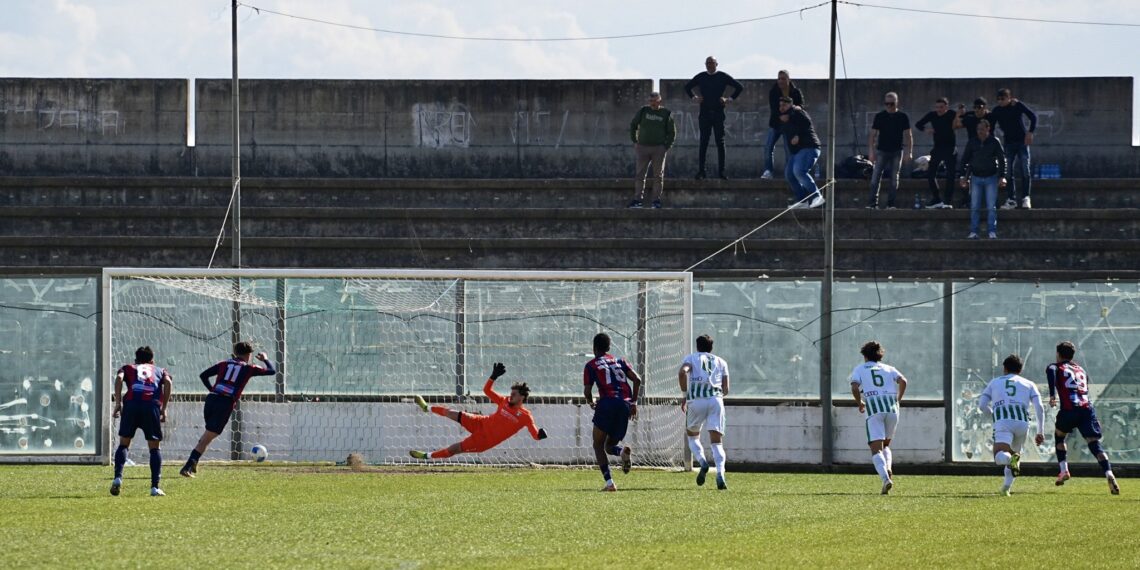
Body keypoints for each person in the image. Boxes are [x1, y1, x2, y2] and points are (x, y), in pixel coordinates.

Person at [409, 363, 548, 460]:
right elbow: (487, 391)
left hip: (484, 440)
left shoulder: (525, 416)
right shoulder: (504, 401)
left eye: (514, 394)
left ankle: (426, 456)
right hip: (480, 422)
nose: (511, 396)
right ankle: (426, 407)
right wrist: (493, 377)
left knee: (454, 449)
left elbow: (535, 434)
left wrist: (540, 435)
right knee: (452, 413)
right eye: (511, 393)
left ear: (522, 397)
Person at [180, 341, 276, 478]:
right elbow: (272, 371)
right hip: (224, 402)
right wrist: (265, 359)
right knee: (208, 436)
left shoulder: (223, 364)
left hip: (211, 399)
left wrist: (212, 390)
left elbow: (203, 375)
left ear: (235, 353)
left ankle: (194, 462)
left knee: (207, 435)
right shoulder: (248, 368)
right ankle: (188, 466)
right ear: (249, 354)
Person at [1047, 341, 1120, 494]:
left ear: (1059, 354)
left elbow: (1052, 371)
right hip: (1087, 409)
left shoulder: (1055, 366)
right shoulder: (1081, 369)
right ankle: (1109, 473)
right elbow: (1085, 389)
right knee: (1094, 443)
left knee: (1059, 436)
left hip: (1069, 409)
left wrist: (1052, 394)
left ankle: (1063, 470)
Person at [978, 354, 1045, 496]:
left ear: (1004, 368)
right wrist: (1040, 431)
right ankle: (1006, 489)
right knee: (1015, 453)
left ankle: (1010, 460)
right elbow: (1039, 407)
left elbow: (982, 405)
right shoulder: (1029, 384)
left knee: (999, 456)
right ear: (1020, 370)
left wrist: (994, 415)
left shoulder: (994, 382)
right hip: (1022, 422)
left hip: (1003, 421)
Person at [583, 332, 643, 491]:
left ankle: (609, 483)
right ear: (609, 347)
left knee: (598, 445)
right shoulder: (620, 361)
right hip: (624, 405)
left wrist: (590, 402)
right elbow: (637, 380)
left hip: (607, 403)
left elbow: (587, 391)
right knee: (609, 446)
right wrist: (634, 402)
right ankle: (622, 451)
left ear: (594, 348)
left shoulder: (591, 365)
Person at [110, 346, 172, 497]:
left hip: (131, 405)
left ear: (136, 360)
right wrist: (164, 408)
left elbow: (119, 378)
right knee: (154, 448)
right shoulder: (160, 369)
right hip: (151, 405)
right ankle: (154, 487)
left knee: (124, 443)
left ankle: (118, 477)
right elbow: (168, 382)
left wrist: (118, 403)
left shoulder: (128, 367)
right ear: (152, 360)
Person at [849, 341, 908, 495]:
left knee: (876, 449)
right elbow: (903, 381)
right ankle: (888, 468)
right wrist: (898, 399)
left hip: (874, 410)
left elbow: (855, 386)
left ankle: (885, 479)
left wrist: (860, 403)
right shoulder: (889, 368)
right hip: (892, 409)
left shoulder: (860, 369)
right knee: (886, 446)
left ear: (865, 356)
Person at [678, 335, 730, 490]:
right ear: (711, 347)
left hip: (696, 401)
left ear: (697, 346)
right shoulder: (721, 362)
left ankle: (702, 462)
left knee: (692, 436)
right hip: (716, 400)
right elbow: (726, 388)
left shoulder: (691, 358)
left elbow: (682, 372)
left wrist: (685, 394)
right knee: (717, 442)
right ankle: (720, 474)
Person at [684, 56, 743, 180]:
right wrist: (694, 98)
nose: (710, 65)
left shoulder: (722, 76)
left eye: (712, 63)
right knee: (703, 142)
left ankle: (722, 172)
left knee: (720, 142)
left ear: (717, 64)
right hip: (704, 113)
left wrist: (728, 99)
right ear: (705, 65)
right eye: (708, 63)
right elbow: (687, 87)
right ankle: (701, 171)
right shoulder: (701, 76)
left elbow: (739, 87)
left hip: (718, 113)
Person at [957, 120, 1007, 239]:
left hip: (991, 177)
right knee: (974, 206)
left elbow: (1001, 160)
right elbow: (965, 159)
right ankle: (974, 231)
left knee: (991, 206)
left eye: (982, 129)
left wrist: (1002, 176)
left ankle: (992, 231)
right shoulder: (972, 142)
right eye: (978, 129)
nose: (980, 132)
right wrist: (963, 176)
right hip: (976, 177)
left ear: (988, 129)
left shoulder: (994, 142)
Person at [989, 88, 1037, 209]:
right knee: (1008, 172)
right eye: (998, 99)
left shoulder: (1017, 105)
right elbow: (990, 126)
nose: (1001, 101)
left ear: (1009, 98)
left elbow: (1032, 116)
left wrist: (1030, 132)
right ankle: (1011, 199)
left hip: (1022, 142)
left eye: (1003, 99)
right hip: (1008, 143)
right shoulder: (997, 111)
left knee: (1025, 169)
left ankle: (1026, 197)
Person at [628, 91, 677, 209]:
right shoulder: (643, 111)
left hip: (658, 148)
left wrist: (666, 146)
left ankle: (656, 201)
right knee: (640, 174)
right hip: (643, 147)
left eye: (655, 101)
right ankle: (637, 200)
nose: (652, 103)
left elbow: (672, 132)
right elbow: (633, 125)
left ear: (660, 101)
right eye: (650, 101)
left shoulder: (666, 113)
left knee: (658, 175)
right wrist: (635, 141)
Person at [866, 92, 913, 209]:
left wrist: (909, 152)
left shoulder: (902, 116)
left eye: (891, 104)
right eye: (886, 104)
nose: (889, 106)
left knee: (894, 178)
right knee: (875, 177)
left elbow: (908, 135)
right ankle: (872, 204)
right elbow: (872, 135)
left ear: (896, 103)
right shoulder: (880, 116)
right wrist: (871, 152)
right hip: (882, 150)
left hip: (897, 150)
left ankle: (890, 204)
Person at [778, 97, 824, 209]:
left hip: (809, 147)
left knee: (799, 171)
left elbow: (807, 123)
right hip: (796, 152)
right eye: (780, 105)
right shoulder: (785, 118)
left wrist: (798, 135)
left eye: (784, 105)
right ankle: (803, 200)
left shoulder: (797, 112)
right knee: (789, 175)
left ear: (790, 104)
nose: (781, 107)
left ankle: (817, 196)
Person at [914, 97, 958, 209]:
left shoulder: (951, 114)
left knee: (950, 175)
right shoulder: (932, 115)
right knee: (931, 173)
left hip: (950, 147)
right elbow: (918, 124)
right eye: (937, 107)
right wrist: (926, 130)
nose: (939, 110)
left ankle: (947, 201)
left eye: (941, 107)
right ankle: (936, 198)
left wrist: (960, 115)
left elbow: (962, 121)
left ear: (946, 107)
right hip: (938, 147)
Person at [763, 70, 805, 180]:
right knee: (768, 147)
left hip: (790, 125)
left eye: (783, 79)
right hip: (776, 123)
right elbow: (774, 108)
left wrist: (789, 115)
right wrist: (781, 116)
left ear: (788, 80)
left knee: (788, 149)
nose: (781, 81)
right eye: (779, 79)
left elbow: (800, 106)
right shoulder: (774, 91)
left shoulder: (795, 92)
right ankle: (768, 171)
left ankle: (789, 173)